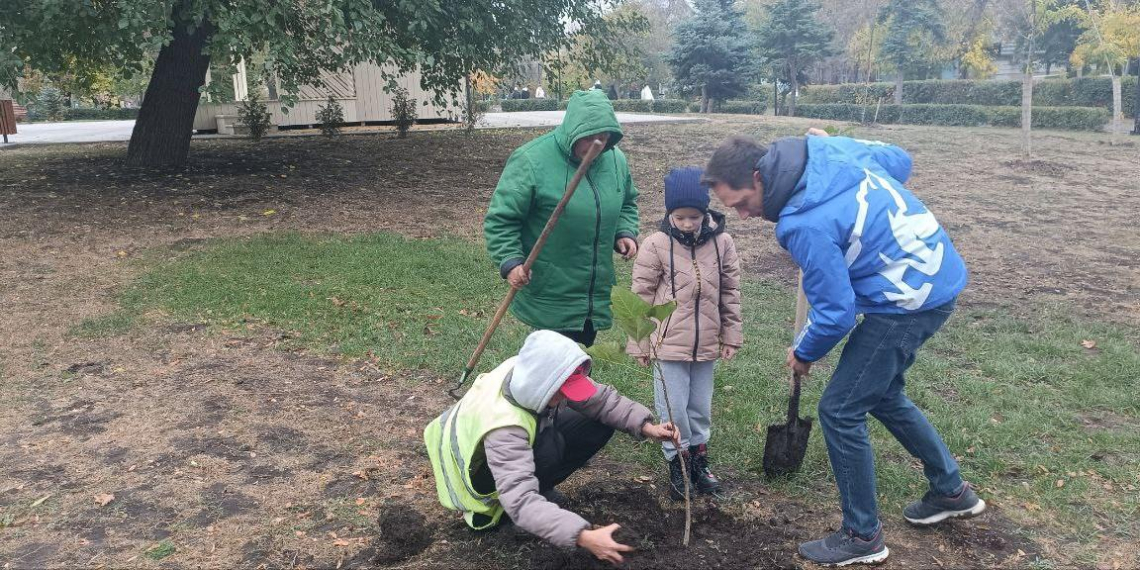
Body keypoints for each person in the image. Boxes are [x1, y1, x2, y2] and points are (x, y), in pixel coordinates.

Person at [703, 129, 984, 566]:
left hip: (905, 302)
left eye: (740, 202)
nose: (740, 215)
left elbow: (836, 311)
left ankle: (862, 534)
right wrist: (844, 142)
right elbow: (900, 161)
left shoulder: (802, 223)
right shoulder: (827, 150)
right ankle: (952, 491)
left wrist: (805, 351)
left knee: (840, 409)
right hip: (937, 274)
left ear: (759, 176)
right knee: (883, 394)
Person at [425, 330, 679, 566]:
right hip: (475, 482)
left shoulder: (527, 370)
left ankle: (540, 488)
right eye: (563, 391)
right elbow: (521, 500)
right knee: (549, 449)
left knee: (594, 422)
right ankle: (497, 514)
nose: (568, 398)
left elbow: (598, 400)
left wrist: (647, 427)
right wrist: (583, 535)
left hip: (502, 454)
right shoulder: (504, 427)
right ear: (542, 387)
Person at [483, 89, 639, 347]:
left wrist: (625, 231)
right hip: (551, 290)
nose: (597, 146)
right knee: (549, 368)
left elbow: (627, 201)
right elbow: (501, 220)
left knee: (578, 366)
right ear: (573, 131)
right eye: (589, 138)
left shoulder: (615, 160)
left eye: (604, 137)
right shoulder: (531, 160)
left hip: (592, 291)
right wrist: (511, 262)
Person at [626, 166, 742, 500]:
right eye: (680, 217)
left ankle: (699, 464)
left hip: (706, 343)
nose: (688, 224)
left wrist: (730, 334)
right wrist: (640, 342)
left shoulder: (723, 243)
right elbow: (641, 296)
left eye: (694, 216)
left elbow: (730, 291)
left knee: (699, 408)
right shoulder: (656, 244)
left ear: (706, 212)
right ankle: (677, 464)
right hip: (667, 345)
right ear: (669, 214)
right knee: (674, 409)